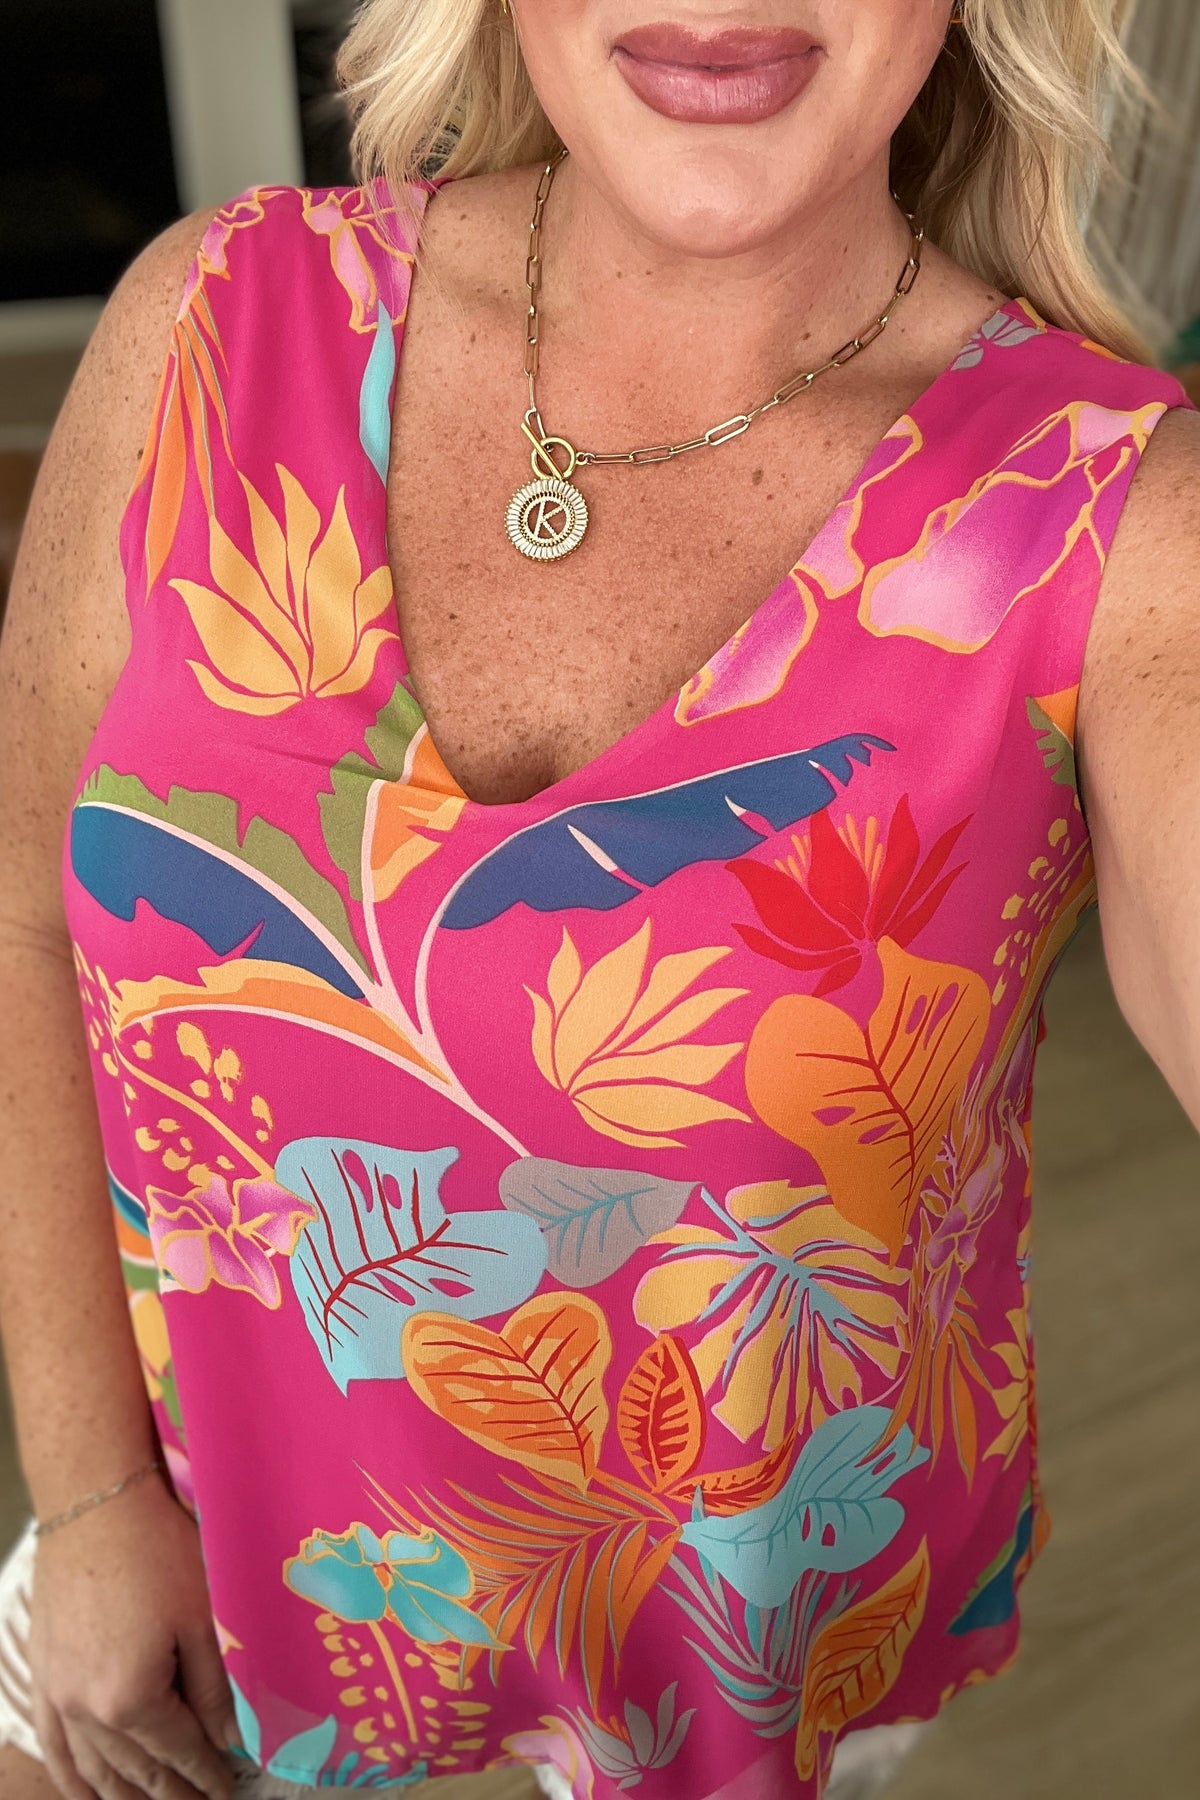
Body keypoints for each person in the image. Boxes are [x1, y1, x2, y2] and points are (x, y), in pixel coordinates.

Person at [0, 1, 1197, 1797]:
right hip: (190, 1575)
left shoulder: (1107, 513)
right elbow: (24, 915)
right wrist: (91, 1498)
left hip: (738, 1665)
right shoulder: (214, 322)